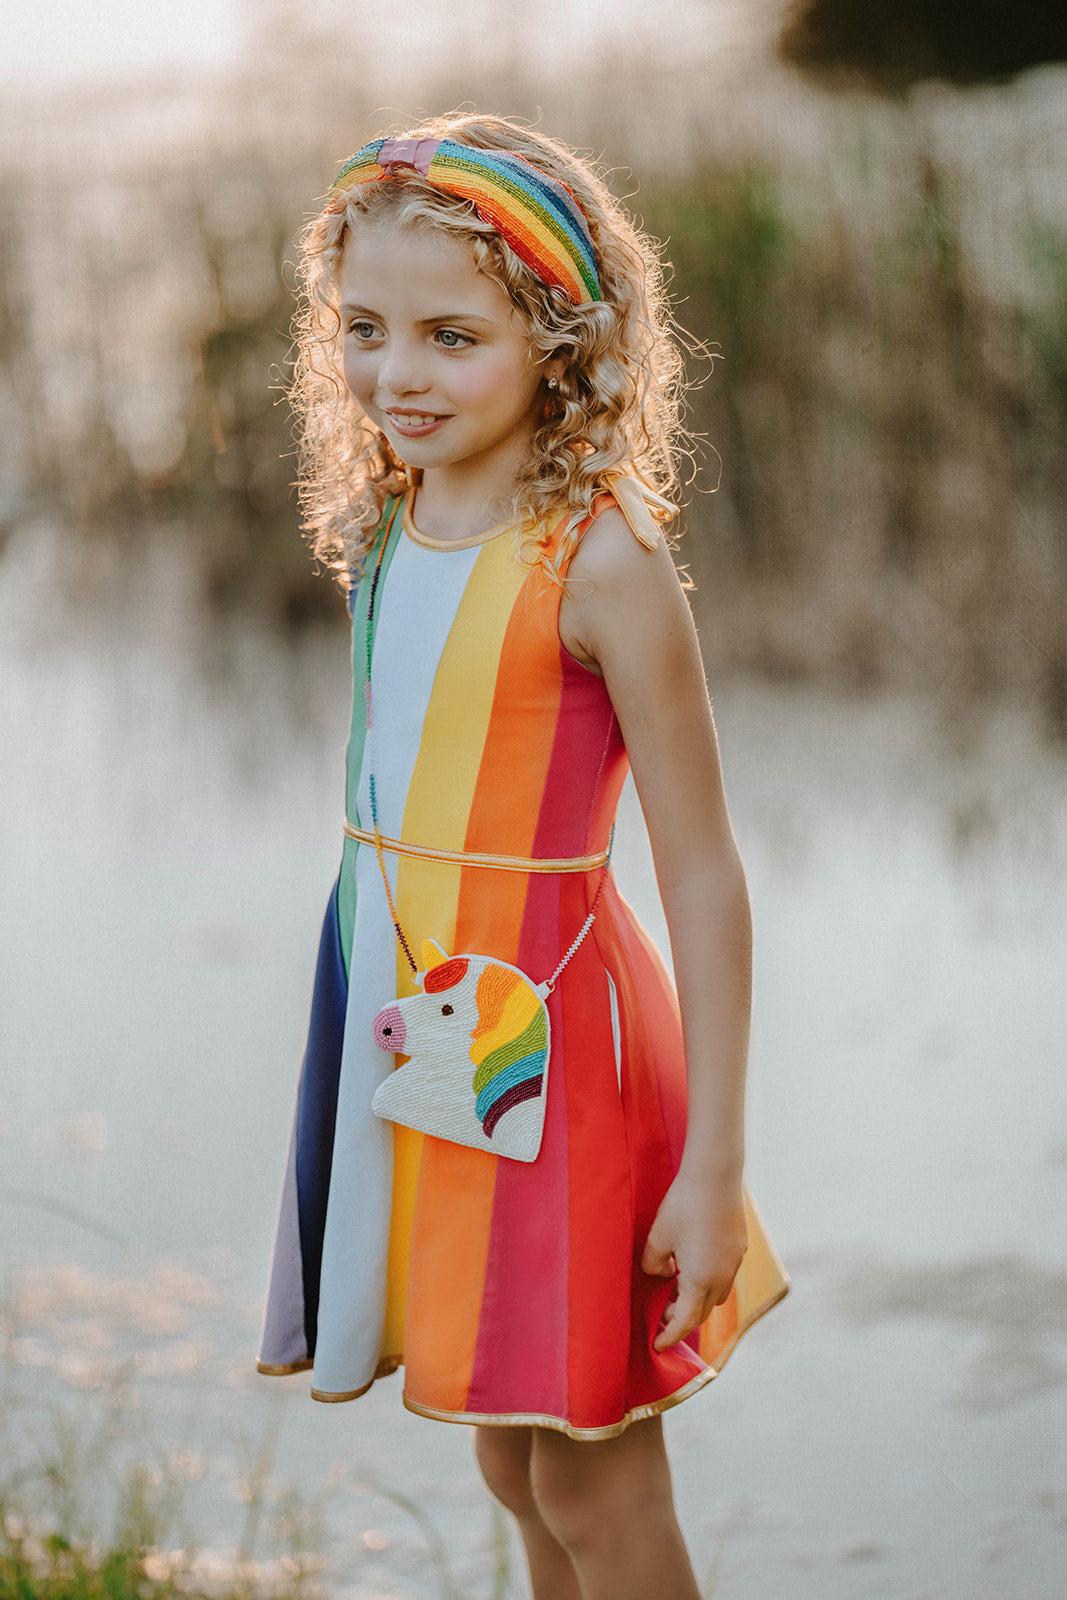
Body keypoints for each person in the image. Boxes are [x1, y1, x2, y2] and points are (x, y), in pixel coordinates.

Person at [256, 113, 789, 1600]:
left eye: (449, 334)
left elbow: (703, 871)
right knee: (509, 1442)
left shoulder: (603, 562)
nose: (396, 374)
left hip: (558, 1044)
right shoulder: (389, 519)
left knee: (591, 1466)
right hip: (427, 1026)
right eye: (362, 330)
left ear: (559, 339)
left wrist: (717, 1164)